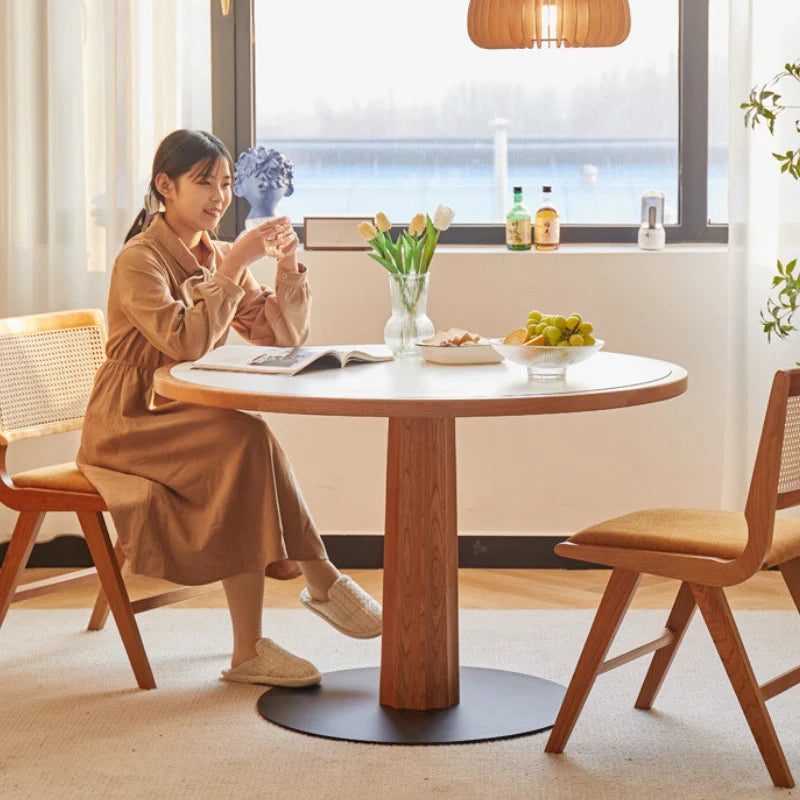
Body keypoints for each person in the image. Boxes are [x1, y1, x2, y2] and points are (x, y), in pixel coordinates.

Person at [77, 129, 382, 688]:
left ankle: (258, 642)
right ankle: (315, 581)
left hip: (182, 412)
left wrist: (288, 264)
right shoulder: (137, 261)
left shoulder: (217, 255)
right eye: (204, 182)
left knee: (246, 441)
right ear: (164, 186)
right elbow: (186, 343)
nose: (220, 196)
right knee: (245, 440)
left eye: (225, 183)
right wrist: (233, 264)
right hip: (129, 422)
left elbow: (280, 335)